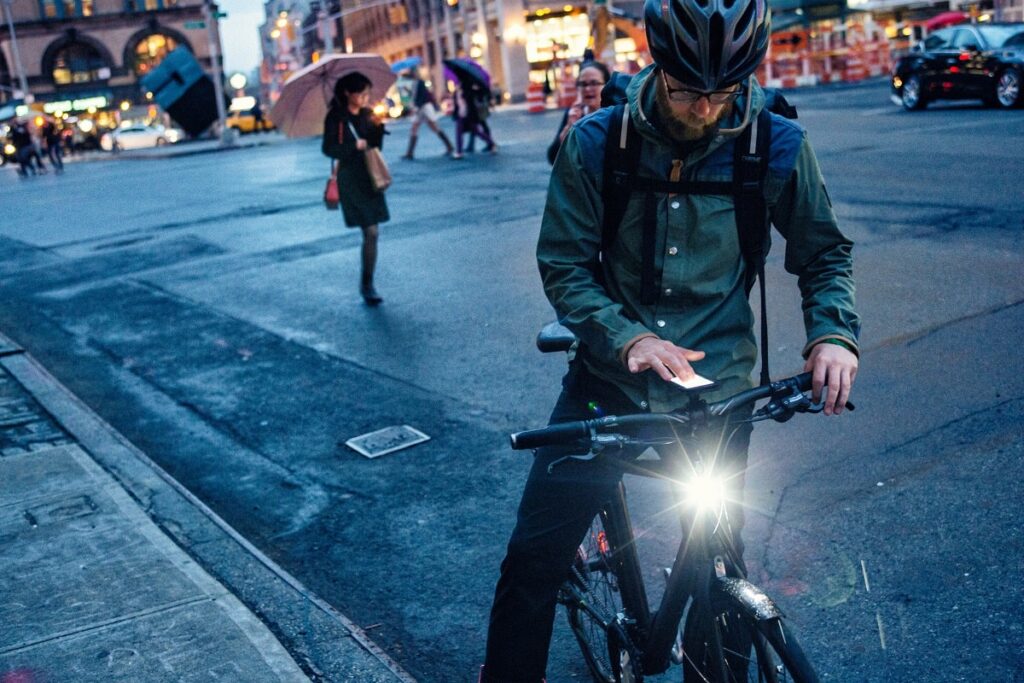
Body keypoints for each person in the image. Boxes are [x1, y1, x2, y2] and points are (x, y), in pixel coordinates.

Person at [479, 0, 860, 678]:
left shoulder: (776, 145)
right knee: (533, 563)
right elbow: (564, 265)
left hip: (718, 396)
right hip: (607, 386)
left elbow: (824, 253)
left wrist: (832, 334)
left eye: (725, 91)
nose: (707, 108)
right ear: (657, 65)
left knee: (719, 573)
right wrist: (627, 339)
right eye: (688, 90)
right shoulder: (597, 143)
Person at [322, 72, 390, 306]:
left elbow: (375, 145)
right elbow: (328, 149)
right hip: (350, 178)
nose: (364, 97)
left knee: (374, 232)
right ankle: (367, 284)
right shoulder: (336, 118)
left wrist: (378, 129)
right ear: (347, 93)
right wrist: (353, 145)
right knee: (370, 231)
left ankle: (367, 282)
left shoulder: (367, 114)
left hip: (370, 175)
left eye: (366, 93)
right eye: (360, 93)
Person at [546, 60, 610, 165]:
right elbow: (553, 158)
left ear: (606, 85)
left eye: (594, 83)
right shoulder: (573, 114)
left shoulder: (615, 115)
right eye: (583, 84)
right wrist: (568, 128)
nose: (588, 88)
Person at [401, 70, 455, 159]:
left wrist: (416, 108)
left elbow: (423, 96)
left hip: (425, 107)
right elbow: (413, 97)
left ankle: (449, 146)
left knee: (433, 126)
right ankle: (410, 152)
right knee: (416, 128)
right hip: (420, 108)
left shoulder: (420, 83)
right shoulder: (412, 84)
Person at [451, 81, 495, 159]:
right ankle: (459, 152)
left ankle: (491, 143)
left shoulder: (468, 90)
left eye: (457, 83)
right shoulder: (455, 93)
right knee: (458, 133)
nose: (455, 84)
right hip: (460, 115)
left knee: (477, 132)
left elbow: (478, 95)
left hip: (469, 115)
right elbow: (456, 105)